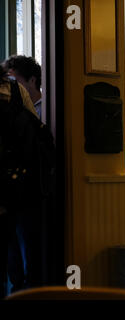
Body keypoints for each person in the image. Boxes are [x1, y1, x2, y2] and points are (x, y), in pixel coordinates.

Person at [0, 64, 43, 297]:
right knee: (25, 251)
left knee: (15, 253)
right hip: (23, 186)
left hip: (17, 188)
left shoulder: (17, 94)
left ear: (33, 80)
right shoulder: (17, 94)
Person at [3, 55, 42, 120]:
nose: (10, 87)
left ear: (32, 80)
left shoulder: (46, 110)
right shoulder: (13, 108)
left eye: (13, 81)